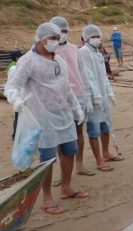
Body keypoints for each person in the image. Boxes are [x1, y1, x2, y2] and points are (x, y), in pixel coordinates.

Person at [5, 22, 89, 215]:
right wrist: (17, 100)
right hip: (42, 116)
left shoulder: (58, 60)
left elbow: (65, 87)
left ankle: (66, 187)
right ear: (41, 39)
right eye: (52, 38)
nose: (55, 42)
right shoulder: (28, 61)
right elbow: (12, 86)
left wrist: (76, 107)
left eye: (57, 38)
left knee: (69, 150)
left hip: (64, 114)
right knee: (48, 158)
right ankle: (47, 197)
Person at [50, 16, 95, 176]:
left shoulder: (74, 49)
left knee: (78, 131)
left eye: (64, 31)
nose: (62, 34)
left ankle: (79, 163)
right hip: (58, 99)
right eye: (59, 31)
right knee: (60, 136)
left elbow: (82, 72)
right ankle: (64, 170)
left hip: (78, 94)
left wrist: (88, 94)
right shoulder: (49, 50)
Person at [80, 24, 123, 172]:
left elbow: (103, 76)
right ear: (86, 38)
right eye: (93, 36)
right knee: (94, 129)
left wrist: (109, 92)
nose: (96, 39)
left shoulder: (98, 53)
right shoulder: (83, 53)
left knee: (106, 126)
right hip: (91, 97)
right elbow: (87, 76)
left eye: (98, 36)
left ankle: (106, 153)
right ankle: (98, 160)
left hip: (102, 96)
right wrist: (95, 95)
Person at [7, 50, 23, 141]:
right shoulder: (14, 68)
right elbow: (12, 84)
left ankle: (17, 135)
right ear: (17, 58)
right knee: (18, 115)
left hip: (20, 96)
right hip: (18, 96)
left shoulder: (15, 66)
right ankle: (15, 136)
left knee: (20, 116)